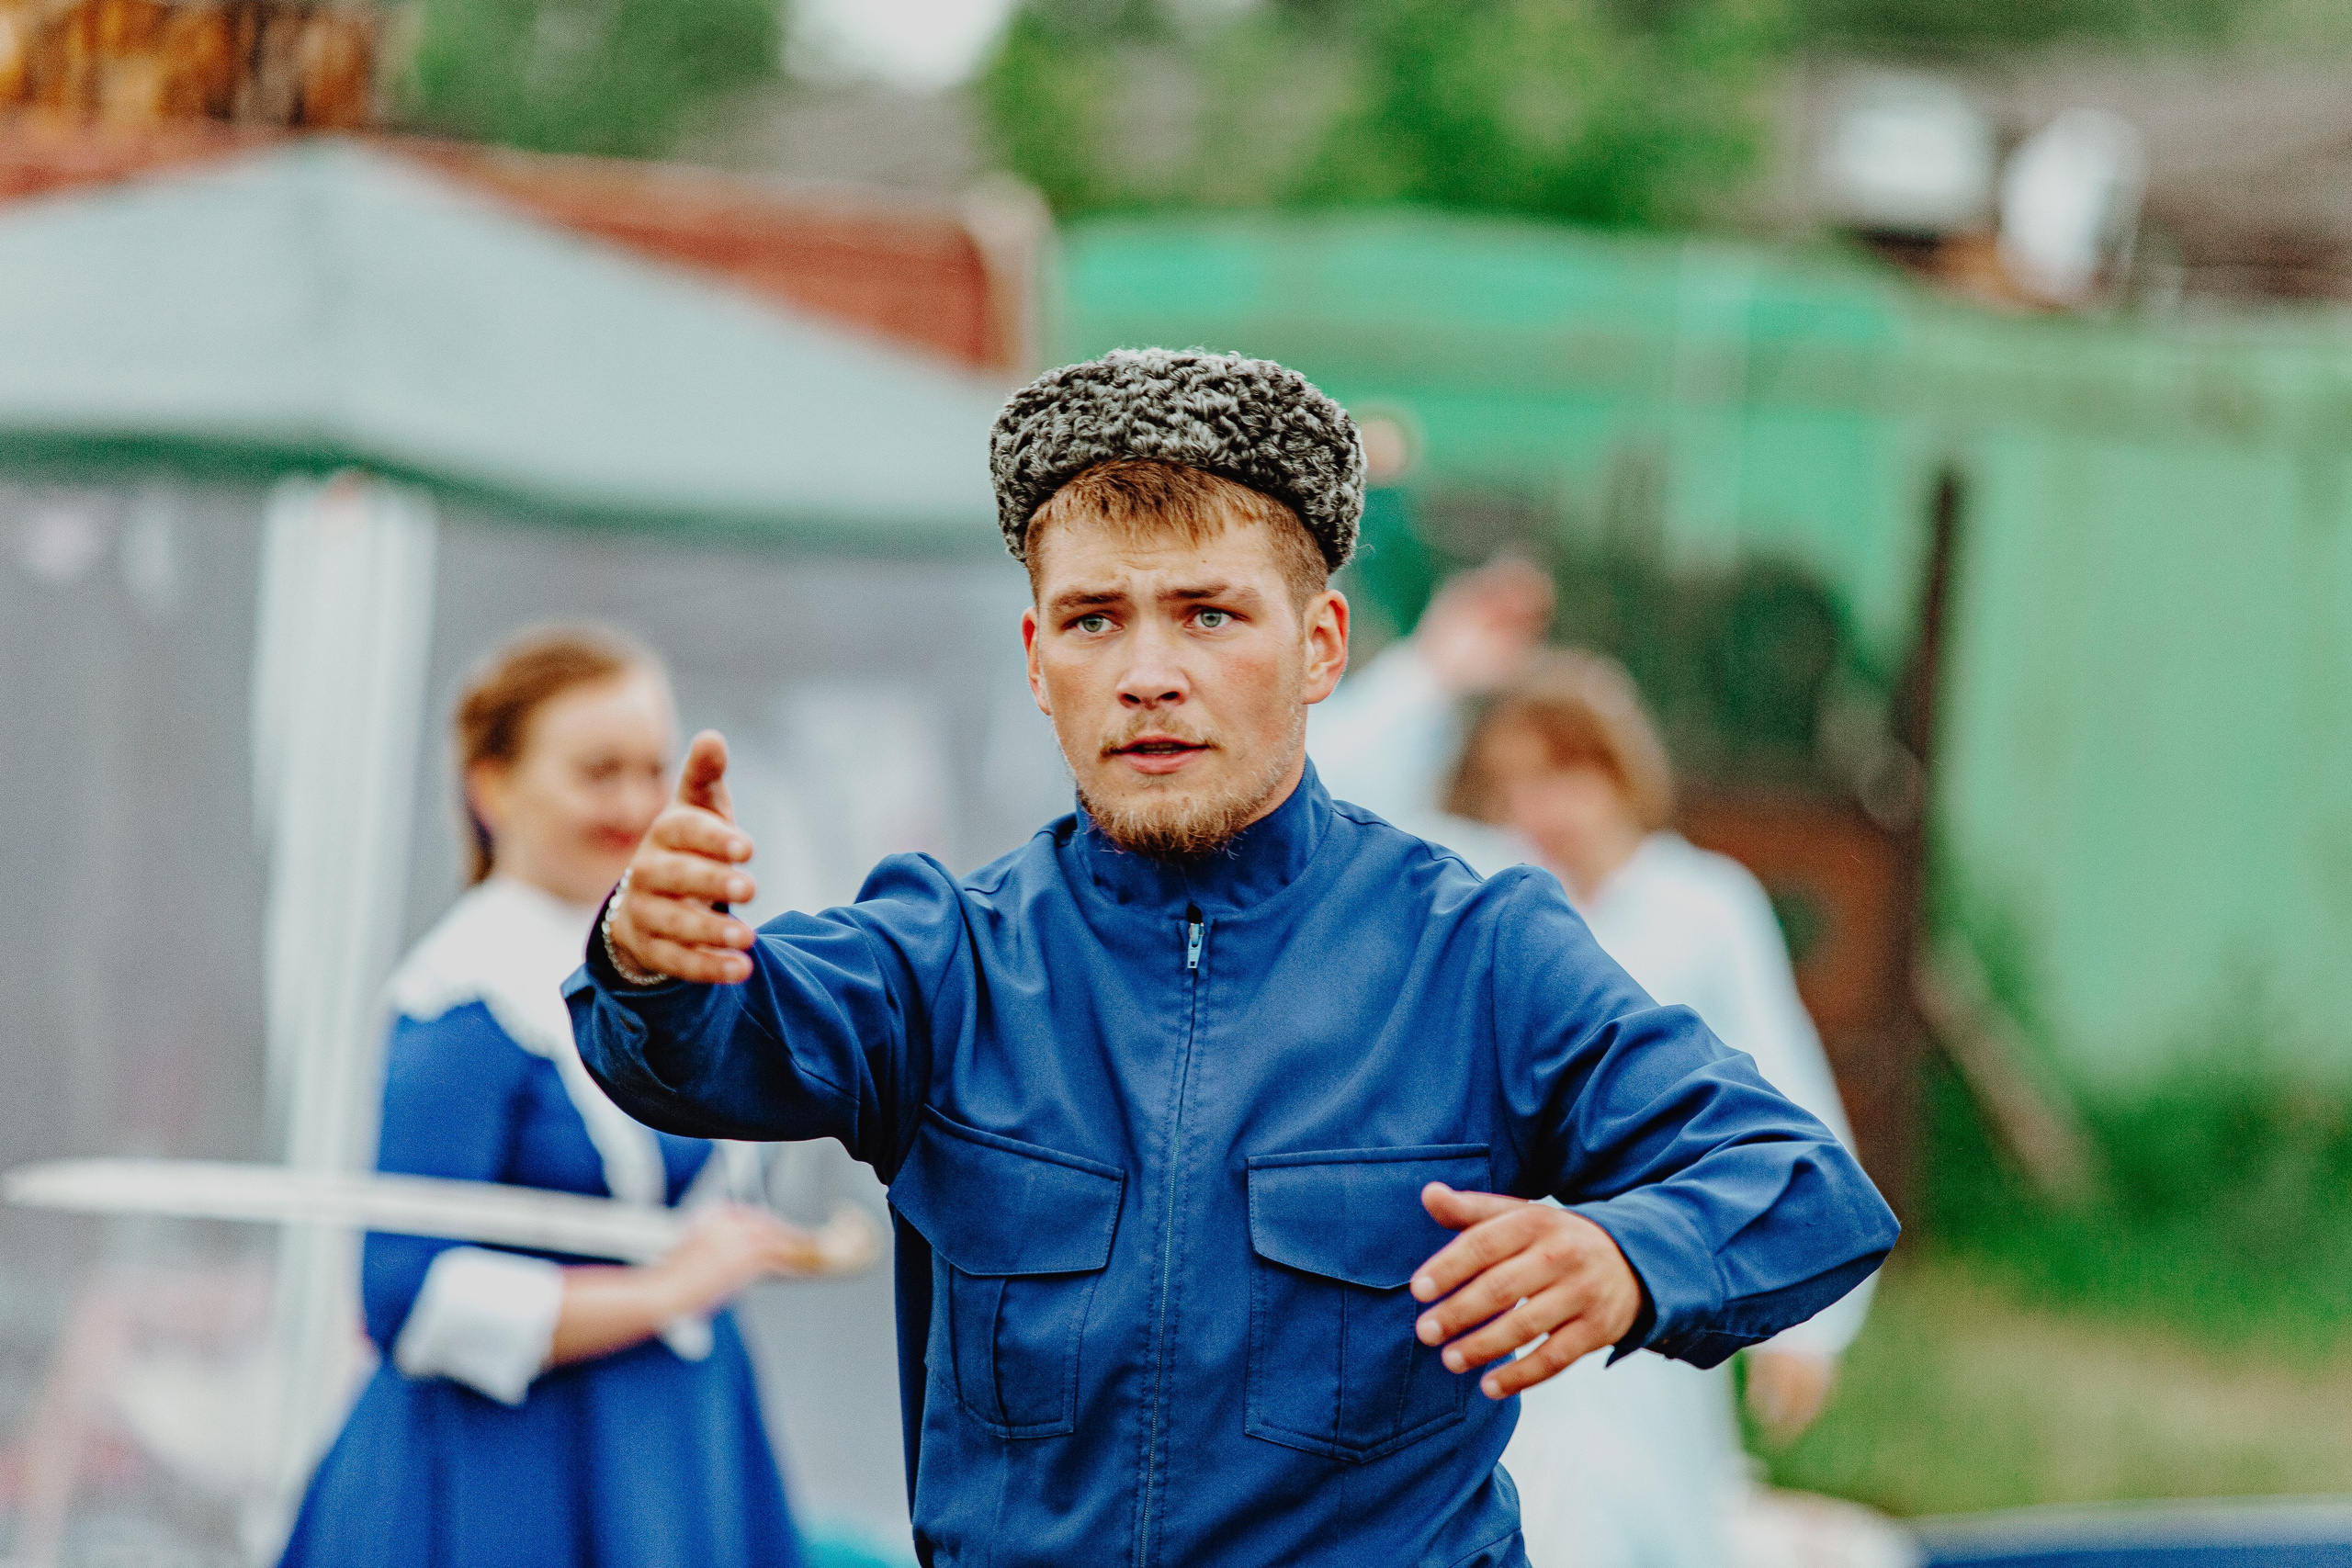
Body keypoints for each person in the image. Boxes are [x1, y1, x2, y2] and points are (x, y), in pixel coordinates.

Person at [568, 350, 1898, 1568]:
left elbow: (1802, 1187)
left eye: (1208, 615)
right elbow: (701, 1043)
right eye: (1094, 619)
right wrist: (650, 954)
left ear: (1320, 647)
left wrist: (1627, 1255)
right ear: (1035, 659)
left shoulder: (1478, 955)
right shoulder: (947, 959)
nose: (1147, 672)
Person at [1315, 569, 1879, 1568]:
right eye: (1517, 782)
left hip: (1643, 1281)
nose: (1543, 808)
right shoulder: (1480, 888)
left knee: (1645, 1515)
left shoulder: (1701, 906)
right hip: (1494, 1280)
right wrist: (1435, 672)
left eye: (1566, 775)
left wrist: (1810, 1328)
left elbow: (1782, 1094)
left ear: (1623, 774)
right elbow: (1322, 796)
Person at [280, 628, 819, 1568]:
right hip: (506, 1477)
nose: (634, 803)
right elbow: (403, 1292)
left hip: (678, 1454)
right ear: (491, 788)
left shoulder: (684, 957)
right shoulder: (462, 998)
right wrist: (664, 1291)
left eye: (650, 769)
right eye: (597, 772)